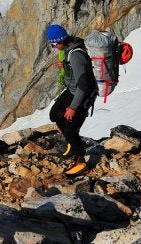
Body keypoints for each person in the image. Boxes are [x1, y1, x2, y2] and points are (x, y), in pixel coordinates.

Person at [46, 23, 98, 177]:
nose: (55, 47)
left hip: (82, 95)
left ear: (61, 41)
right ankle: (72, 143)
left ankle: (81, 161)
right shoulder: (70, 51)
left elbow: (83, 86)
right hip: (72, 90)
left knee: (70, 128)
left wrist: (73, 107)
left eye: (55, 44)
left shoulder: (75, 55)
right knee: (55, 114)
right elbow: (77, 73)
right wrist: (65, 66)